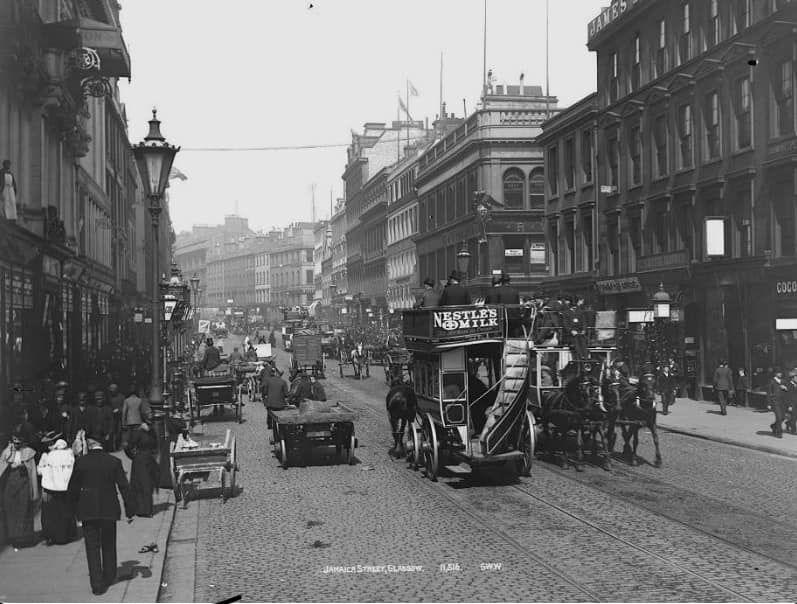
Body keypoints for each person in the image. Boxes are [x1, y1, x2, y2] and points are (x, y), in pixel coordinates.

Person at [68, 433, 133, 595]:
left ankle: (97, 584)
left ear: (89, 444)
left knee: (92, 546)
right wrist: (129, 510)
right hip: (109, 507)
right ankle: (110, 576)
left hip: (88, 509)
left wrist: (73, 510)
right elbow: (124, 487)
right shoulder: (114, 462)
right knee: (109, 542)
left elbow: (73, 489)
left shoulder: (81, 462)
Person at [0, 429, 39, 549]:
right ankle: (14, 537)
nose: (16, 444)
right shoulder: (7, 452)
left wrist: (22, 465)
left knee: (24, 510)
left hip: (24, 484)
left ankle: (25, 539)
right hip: (10, 485)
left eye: (18, 442)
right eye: (13, 441)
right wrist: (8, 457)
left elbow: (32, 471)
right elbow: (2, 466)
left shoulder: (28, 452)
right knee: (12, 511)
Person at [37, 436, 76, 545]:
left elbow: (40, 471)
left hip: (50, 489)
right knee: (64, 512)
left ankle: (51, 535)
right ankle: (64, 536)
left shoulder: (49, 455)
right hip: (65, 489)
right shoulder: (70, 455)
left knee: (50, 513)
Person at [126, 422, 159, 518]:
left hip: (150, 460)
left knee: (149, 484)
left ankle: (147, 509)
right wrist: (134, 457)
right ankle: (142, 510)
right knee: (142, 485)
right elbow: (128, 447)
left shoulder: (152, 432)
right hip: (140, 461)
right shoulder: (138, 433)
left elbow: (155, 445)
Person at [768, 369, 788, 438]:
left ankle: (773, 426)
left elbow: (788, 390)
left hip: (782, 402)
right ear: (775, 374)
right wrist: (769, 404)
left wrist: (785, 388)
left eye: (781, 373)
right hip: (775, 402)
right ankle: (779, 433)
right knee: (779, 417)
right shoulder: (772, 382)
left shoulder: (783, 381)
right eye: (779, 373)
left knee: (782, 417)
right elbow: (768, 393)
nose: (781, 374)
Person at [107, 384, 125, 452]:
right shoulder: (108, 397)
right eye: (111, 389)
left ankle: (118, 446)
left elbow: (124, 407)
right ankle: (111, 447)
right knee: (111, 432)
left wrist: (119, 410)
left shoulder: (121, 396)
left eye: (114, 389)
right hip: (110, 417)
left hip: (119, 418)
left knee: (119, 433)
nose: (112, 391)